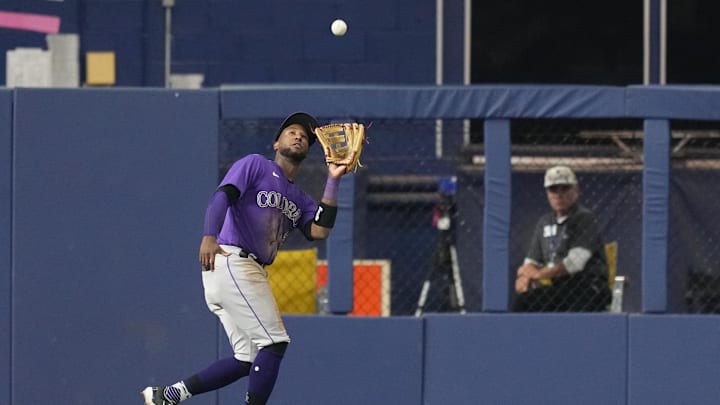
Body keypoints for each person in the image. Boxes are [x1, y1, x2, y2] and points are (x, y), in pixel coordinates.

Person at [142, 112, 350, 405]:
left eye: (305, 136)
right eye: (291, 131)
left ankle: (171, 394)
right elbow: (223, 196)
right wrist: (209, 236)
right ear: (276, 143)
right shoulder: (256, 165)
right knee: (275, 342)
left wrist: (333, 179)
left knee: (246, 359)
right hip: (232, 260)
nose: (299, 135)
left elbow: (319, 231)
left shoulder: (300, 198)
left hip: (241, 271)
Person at [513, 165, 611, 312]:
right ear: (547, 194)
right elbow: (530, 262)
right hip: (559, 288)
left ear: (576, 191)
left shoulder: (584, 218)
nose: (559, 195)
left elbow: (575, 263)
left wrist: (539, 274)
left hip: (588, 286)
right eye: (553, 189)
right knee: (524, 302)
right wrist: (525, 277)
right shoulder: (544, 222)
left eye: (564, 188)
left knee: (577, 303)